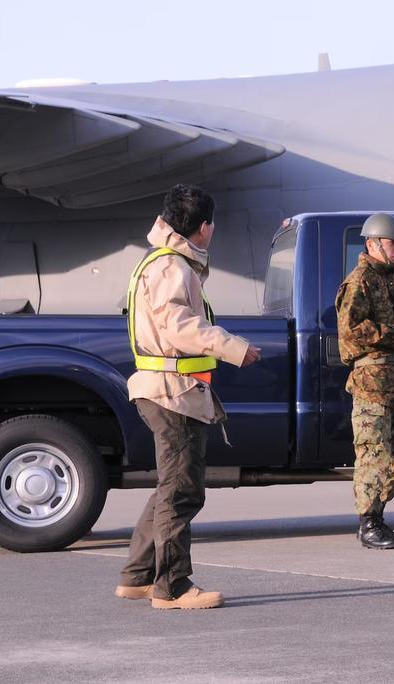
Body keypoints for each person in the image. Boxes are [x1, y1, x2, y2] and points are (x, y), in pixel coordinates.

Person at [116, 184, 261, 610]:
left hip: (170, 390)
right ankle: (173, 587)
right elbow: (179, 326)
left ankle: (138, 577)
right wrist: (233, 347)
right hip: (172, 393)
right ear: (204, 228)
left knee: (170, 487)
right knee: (182, 491)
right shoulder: (172, 266)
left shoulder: (165, 261)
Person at [335, 213, 394, 550]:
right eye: (391, 244)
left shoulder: (386, 281)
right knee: (373, 454)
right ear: (372, 244)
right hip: (371, 382)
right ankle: (368, 523)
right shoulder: (359, 281)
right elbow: (351, 330)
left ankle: (378, 515)